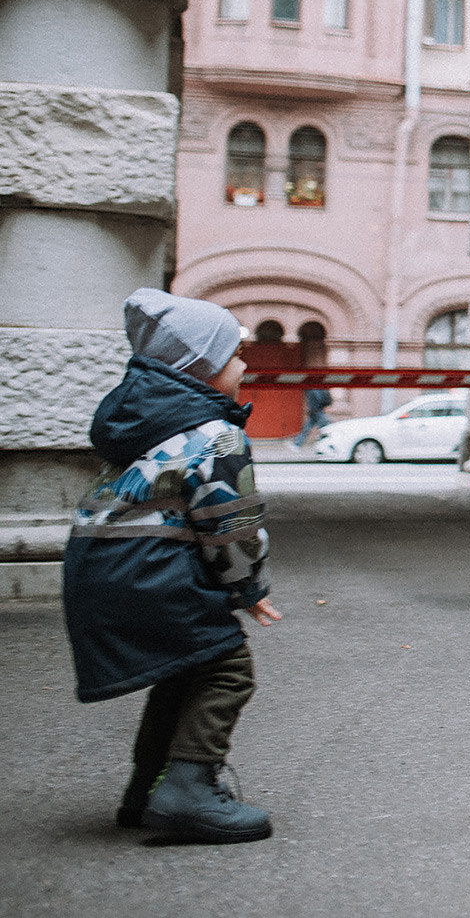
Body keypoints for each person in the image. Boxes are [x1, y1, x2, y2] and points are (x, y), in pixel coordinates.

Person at [64, 289, 283, 842]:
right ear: (200, 368)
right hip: (149, 571)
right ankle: (189, 791)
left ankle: (148, 791)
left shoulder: (143, 426)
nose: (245, 366)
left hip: (98, 566)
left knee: (187, 667)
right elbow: (230, 523)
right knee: (227, 669)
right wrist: (248, 587)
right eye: (235, 355)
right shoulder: (216, 436)